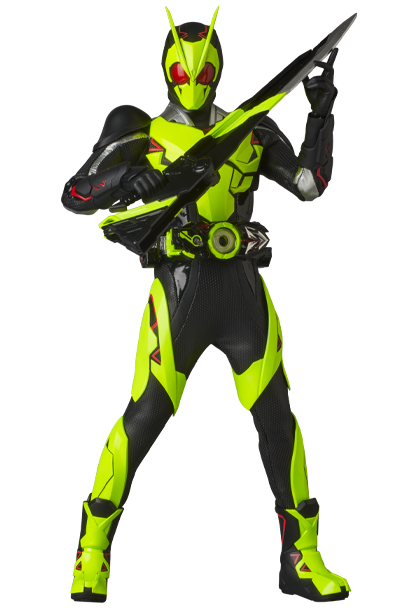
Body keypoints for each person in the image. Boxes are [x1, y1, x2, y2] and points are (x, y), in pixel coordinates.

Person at [63, 8, 350, 603]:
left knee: (277, 418)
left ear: (219, 69)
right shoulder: (138, 130)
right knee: (145, 416)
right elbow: (75, 195)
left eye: (203, 69)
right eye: (182, 69)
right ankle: (91, 553)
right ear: (165, 69)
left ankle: (302, 558)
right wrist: (128, 181)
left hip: (242, 287)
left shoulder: (251, 129)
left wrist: (321, 112)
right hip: (179, 290)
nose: (193, 79)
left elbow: (309, 184)